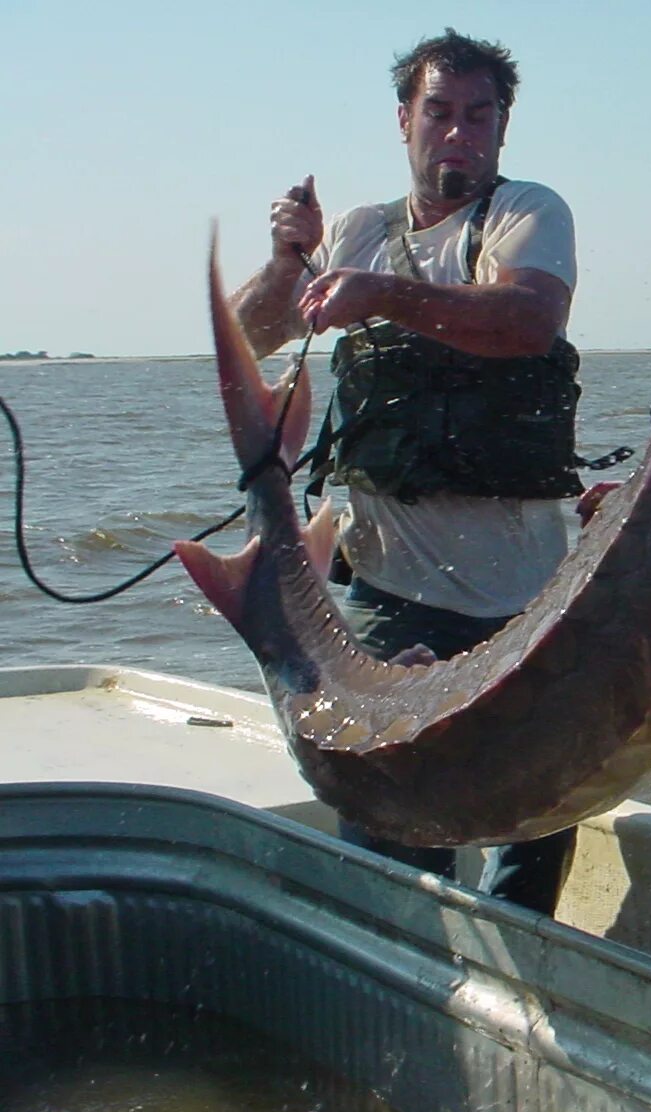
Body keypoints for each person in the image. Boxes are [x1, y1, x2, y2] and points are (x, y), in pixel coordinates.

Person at [230, 29, 586, 916]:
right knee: (381, 813)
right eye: (439, 113)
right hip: (387, 590)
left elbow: (526, 320)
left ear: (503, 127)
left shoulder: (527, 213)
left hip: (524, 595)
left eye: (479, 115)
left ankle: (524, 964)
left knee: (534, 814)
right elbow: (249, 339)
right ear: (404, 122)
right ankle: (408, 961)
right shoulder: (360, 231)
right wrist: (288, 262)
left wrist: (381, 296)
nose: (458, 133)